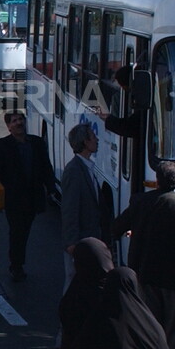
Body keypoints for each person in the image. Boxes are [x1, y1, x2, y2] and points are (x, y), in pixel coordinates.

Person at [109, 160, 175, 349]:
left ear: (157, 181)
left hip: (145, 274)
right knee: (174, 325)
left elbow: (116, 228)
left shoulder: (141, 202)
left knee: (149, 324)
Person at [0, 111, 53, 283]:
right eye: (14, 121)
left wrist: (51, 187)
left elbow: (46, 166)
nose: (19, 123)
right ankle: (16, 265)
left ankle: (17, 261)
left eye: (21, 119)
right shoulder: (2, 145)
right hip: (14, 199)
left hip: (32, 197)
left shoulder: (36, 142)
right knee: (17, 232)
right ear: (8, 126)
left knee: (24, 231)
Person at [60, 123, 105, 287]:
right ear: (85, 142)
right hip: (80, 241)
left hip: (89, 238)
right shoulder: (74, 170)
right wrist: (71, 242)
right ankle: (67, 312)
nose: (97, 140)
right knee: (74, 282)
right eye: (93, 137)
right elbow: (69, 209)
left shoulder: (87, 167)